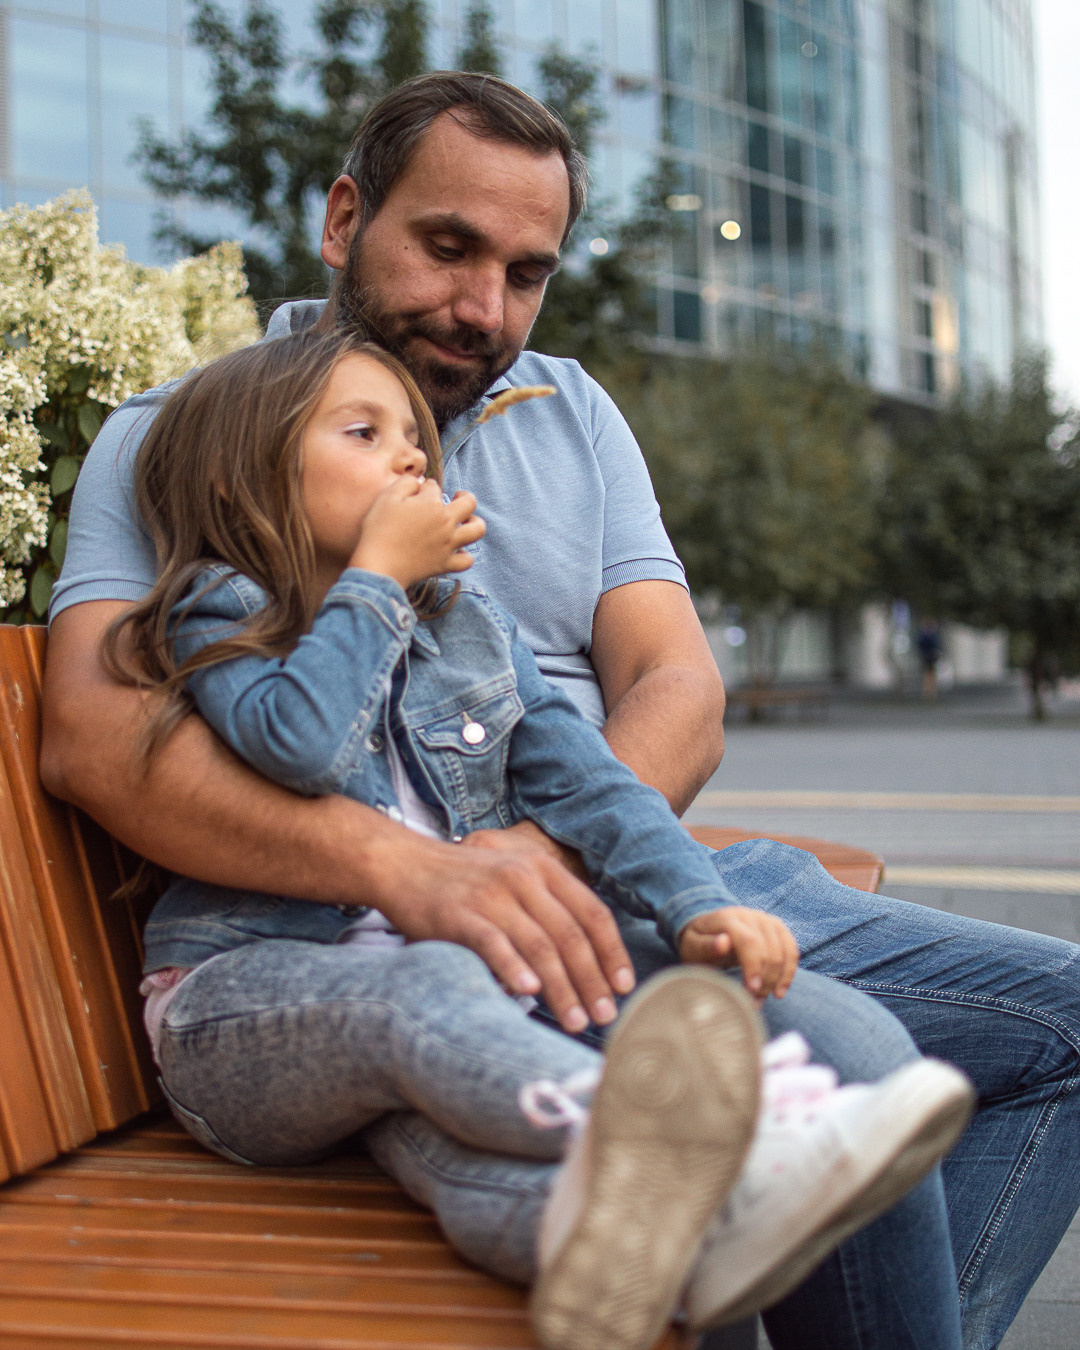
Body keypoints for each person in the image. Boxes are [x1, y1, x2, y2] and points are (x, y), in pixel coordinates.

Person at [42, 71, 1080, 1350]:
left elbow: (679, 691)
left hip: (624, 859)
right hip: (369, 939)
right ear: (344, 219)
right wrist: (421, 873)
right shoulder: (196, 438)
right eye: (448, 247)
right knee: (845, 1055)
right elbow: (95, 740)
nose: (484, 308)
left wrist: (553, 860)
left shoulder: (575, 411)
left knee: (1062, 1017)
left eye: (526, 272)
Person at [104, 327, 972, 1350]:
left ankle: (653, 1246)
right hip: (243, 1015)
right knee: (431, 988)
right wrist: (376, 578)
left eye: (414, 437)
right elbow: (301, 746)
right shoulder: (224, 608)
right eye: (363, 433)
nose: (411, 457)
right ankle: (722, 1147)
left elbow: (596, 788)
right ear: (243, 480)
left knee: (479, 1155)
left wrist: (698, 904)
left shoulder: (472, 625)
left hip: (438, 1042)